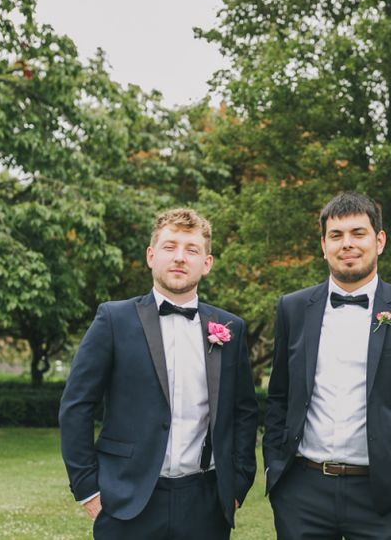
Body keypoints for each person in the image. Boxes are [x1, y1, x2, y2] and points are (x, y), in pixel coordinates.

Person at [263, 191, 391, 540]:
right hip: (302, 492)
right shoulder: (292, 308)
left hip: (385, 496)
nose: (347, 244)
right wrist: (274, 473)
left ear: (379, 241)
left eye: (358, 233)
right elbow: (278, 395)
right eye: (336, 236)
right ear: (323, 245)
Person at [59, 208, 257, 540]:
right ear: (151, 256)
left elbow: (244, 411)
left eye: (192, 249)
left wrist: (237, 484)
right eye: (170, 246)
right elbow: (76, 405)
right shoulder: (113, 319)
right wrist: (87, 489)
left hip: (205, 502)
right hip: (127, 500)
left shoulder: (229, 328)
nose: (180, 257)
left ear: (206, 263)